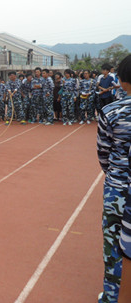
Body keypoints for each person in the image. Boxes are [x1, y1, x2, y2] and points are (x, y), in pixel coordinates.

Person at [97, 55, 131, 303]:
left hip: (118, 187)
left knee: (112, 244)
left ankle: (110, 297)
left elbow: (103, 153)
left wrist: (115, 173)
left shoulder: (111, 111)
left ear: (122, 80)